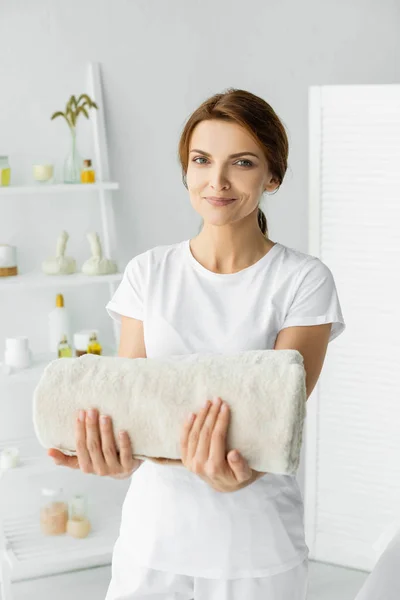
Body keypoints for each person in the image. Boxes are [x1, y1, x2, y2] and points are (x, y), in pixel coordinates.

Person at [48, 88, 346, 600]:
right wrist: (120, 453)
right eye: (201, 160)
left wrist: (217, 461)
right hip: (152, 545)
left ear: (272, 176)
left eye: (243, 162)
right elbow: (132, 406)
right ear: (185, 171)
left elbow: (273, 422)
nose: (217, 181)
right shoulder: (149, 273)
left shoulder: (303, 281)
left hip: (255, 549)